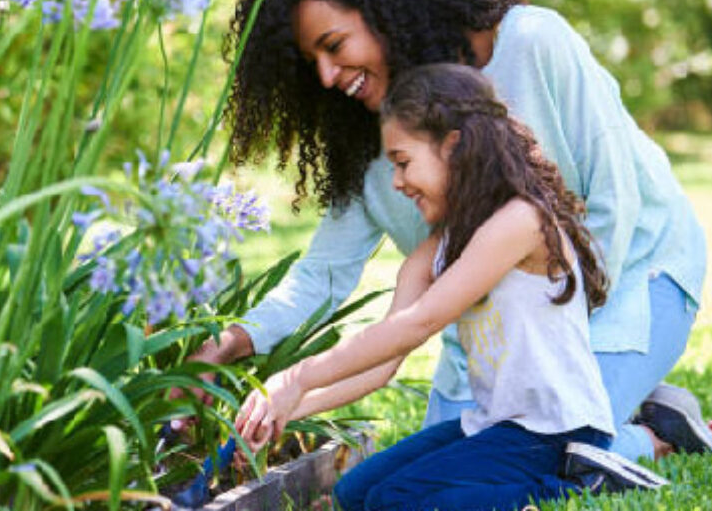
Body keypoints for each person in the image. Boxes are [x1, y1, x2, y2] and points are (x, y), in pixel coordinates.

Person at [184, 0, 712, 462]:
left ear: (384, 9)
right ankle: (629, 402)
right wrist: (232, 341)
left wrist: (559, 357)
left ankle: (654, 435)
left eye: (334, 45)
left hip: (634, 279)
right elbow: (321, 276)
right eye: (311, 62)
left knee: (549, 448)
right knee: (443, 460)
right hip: (500, 337)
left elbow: (615, 201)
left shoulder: (532, 43)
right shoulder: (374, 147)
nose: (325, 75)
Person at [235, 64, 667, 510]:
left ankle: (581, 484)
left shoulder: (521, 221)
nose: (397, 182)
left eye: (403, 162)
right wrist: (289, 407)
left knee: (394, 501)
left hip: (555, 432)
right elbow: (384, 364)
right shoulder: (440, 246)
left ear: (454, 147)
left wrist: (297, 375)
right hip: (495, 424)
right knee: (353, 494)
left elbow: (420, 322)